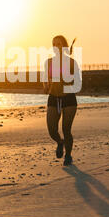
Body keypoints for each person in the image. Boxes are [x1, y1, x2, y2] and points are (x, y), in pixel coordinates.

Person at [42, 35, 81, 166]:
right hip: (53, 97)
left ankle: (68, 155)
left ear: (64, 46)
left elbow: (78, 82)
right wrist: (46, 86)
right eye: (54, 44)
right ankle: (60, 142)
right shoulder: (48, 62)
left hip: (68, 98)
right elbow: (45, 79)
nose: (56, 47)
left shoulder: (71, 62)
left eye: (59, 44)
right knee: (52, 130)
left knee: (66, 129)